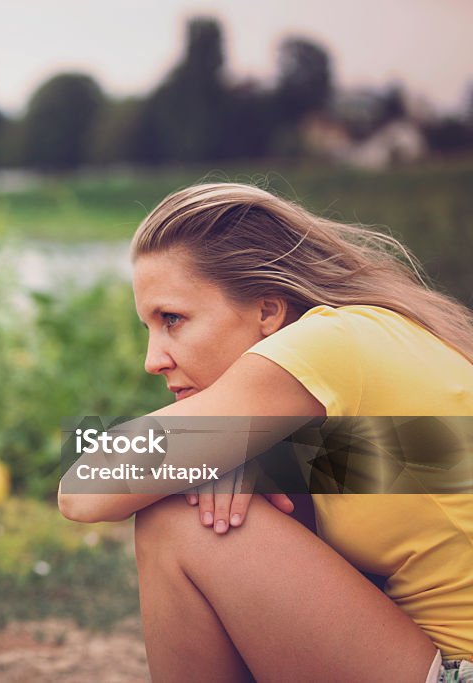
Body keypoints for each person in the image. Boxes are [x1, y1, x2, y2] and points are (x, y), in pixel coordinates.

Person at [57, 182, 473, 682]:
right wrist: (253, 461)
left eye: (173, 319)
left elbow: (84, 486)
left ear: (267, 311)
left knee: (176, 520)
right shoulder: (377, 343)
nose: (153, 360)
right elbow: (441, 459)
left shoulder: (329, 343)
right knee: (232, 500)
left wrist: (234, 460)